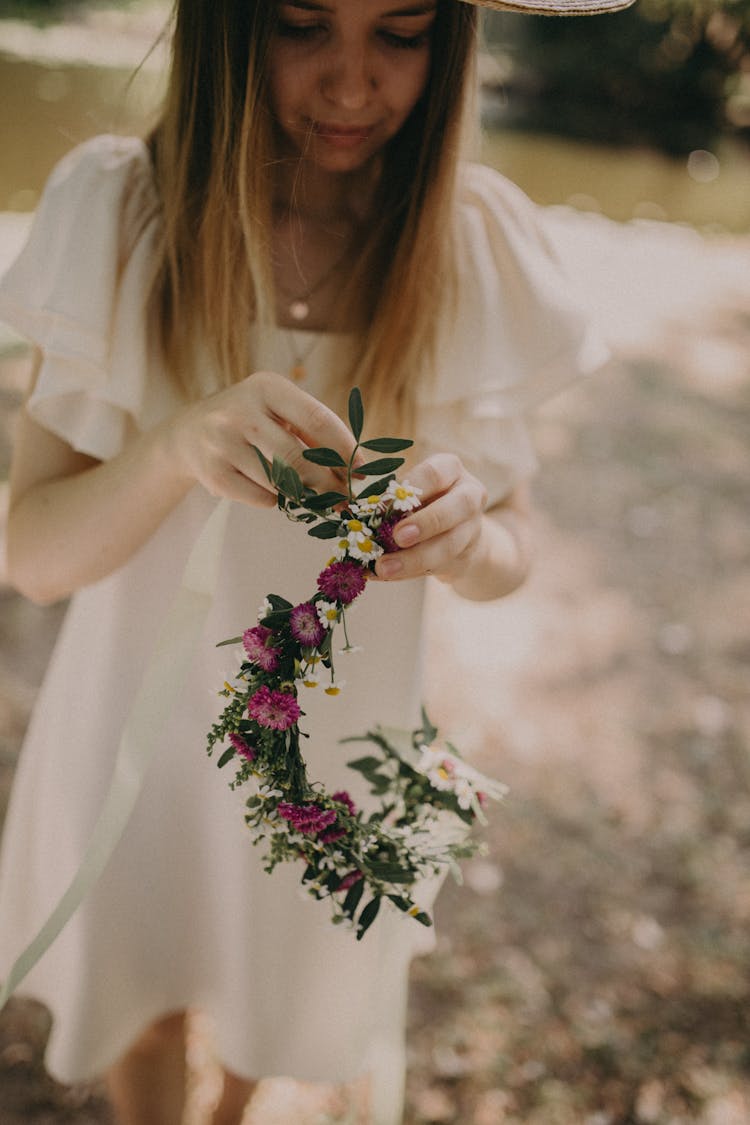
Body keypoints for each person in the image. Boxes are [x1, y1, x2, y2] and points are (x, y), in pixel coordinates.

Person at [0, 0, 632, 1122]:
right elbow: (35, 556)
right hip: (135, 722)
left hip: (332, 745)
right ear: (224, 25)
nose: (353, 86)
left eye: (401, 32)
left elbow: (514, 552)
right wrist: (172, 448)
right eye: (301, 24)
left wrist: (470, 535)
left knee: (272, 986)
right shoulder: (120, 210)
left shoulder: (466, 243)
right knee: (146, 993)